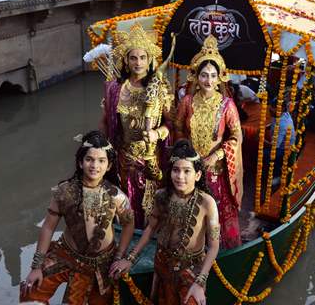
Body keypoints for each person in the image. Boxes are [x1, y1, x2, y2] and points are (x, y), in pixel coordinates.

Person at [20, 131, 135, 305]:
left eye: (101, 161)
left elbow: (128, 225)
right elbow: (48, 227)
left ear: (109, 165)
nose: (94, 165)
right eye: (89, 159)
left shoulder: (117, 196)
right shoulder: (64, 192)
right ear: (80, 162)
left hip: (103, 263)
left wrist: (121, 257)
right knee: (31, 290)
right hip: (66, 256)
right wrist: (36, 266)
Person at [109, 140, 220, 305]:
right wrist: (130, 259)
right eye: (176, 170)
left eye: (186, 171)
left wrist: (200, 281)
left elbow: (214, 245)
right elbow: (150, 229)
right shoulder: (161, 196)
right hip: (162, 265)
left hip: (191, 269)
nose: (180, 176)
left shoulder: (207, 203)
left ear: (197, 175)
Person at [102, 22, 174, 229]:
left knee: (152, 204)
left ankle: (150, 239)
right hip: (124, 157)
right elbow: (107, 121)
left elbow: (171, 123)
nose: (138, 62)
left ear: (150, 59)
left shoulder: (159, 87)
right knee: (126, 202)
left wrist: (157, 133)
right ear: (125, 60)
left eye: (143, 57)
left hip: (151, 159)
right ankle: (128, 238)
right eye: (133, 57)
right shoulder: (115, 88)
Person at [175, 35, 243, 249]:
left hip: (215, 171)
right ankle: (190, 248)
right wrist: (185, 151)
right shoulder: (187, 101)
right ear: (196, 75)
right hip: (190, 170)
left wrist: (217, 155)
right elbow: (177, 128)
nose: (209, 80)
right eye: (204, 75)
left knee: (215, 214)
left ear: (220, 78)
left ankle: (218, 251)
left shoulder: (226, 105)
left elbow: (236, 136)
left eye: (213, 76)